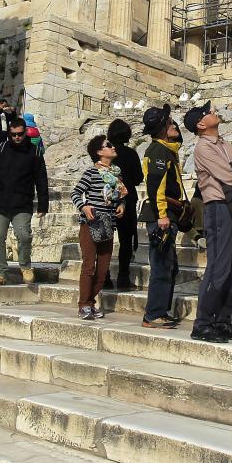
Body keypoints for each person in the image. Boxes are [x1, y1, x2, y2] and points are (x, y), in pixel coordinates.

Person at [185, 101, 232, 344]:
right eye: (208, 112)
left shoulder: (226, 144)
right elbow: (230, 175)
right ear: (201, 124)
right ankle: (202, 323)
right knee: (219, 267)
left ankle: (223, 320)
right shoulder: (203, 148)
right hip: (219, 208)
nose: (214, 112)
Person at [0, 117, 49, 286]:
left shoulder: (35, 152)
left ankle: (26, 267)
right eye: (13, 134)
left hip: (22, 202)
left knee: (24, 235)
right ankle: (0, 272)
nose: (17, 138)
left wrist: (43, 204)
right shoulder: (0, 148)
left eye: (20, 134)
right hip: (0, 202)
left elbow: (41, 179)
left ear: (25, 133)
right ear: (9, 133)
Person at [71, 135, 127, 320]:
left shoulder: (116, 174)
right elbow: (76, 192)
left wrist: (122, 205)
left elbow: (118, 196)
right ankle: (84, 305)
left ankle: (90, 301)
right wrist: (84, 207)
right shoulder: (91, 173)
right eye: (108, 145)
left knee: (102, 271)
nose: (112, 147)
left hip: (108, 225)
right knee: (89, 266)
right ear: (99, 152)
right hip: (91, 223)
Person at [139, 107, 184, 329]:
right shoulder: (157, 151)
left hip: (166, 214)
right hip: (161, 215)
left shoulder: (166, 148)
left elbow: (178, 140)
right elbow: (155, 185)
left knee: (169, 266)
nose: (175, 126)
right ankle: (153, 314)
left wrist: (169, 122)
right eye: (170, 124)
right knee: (161, 266)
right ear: (161, 129)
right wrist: (162, 215)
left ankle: (161, 311)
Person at [105, 119, 142, 290]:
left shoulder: (106, 154)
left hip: (107, 200)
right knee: (126, 239)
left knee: (106, 238)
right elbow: (137, 178)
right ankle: (123, 278)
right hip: (127, 200)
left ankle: (104, 277)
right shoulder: (131, 153)